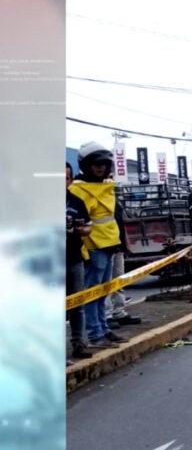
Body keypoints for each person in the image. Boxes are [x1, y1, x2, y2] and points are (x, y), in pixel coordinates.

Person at [69, 142, 128, 348]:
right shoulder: (78, 190)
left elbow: (111, 218)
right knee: (93, 292)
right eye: (96, 164)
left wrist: (119, 243)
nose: (101, 168)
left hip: (110, 243)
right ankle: (95, 334)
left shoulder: (106, 186)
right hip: (93, 247)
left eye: (104, 164)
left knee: (103, 291)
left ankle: (103, 328)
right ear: (86, 165)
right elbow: (82, 222)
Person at [65, 163, 93, 361]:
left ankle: (78, 343)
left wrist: (80, 229)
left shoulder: (76, 202)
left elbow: (88, 227)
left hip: (74, 258)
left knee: (77, 304)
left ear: (71, 180)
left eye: (66, 177)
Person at [105, 194, 143, 329]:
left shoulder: (114, 198)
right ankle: (106, 315)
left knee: (119, 280)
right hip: (105, 247)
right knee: (106, 283)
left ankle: (119, 312)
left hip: (118, 245)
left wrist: (126, 243)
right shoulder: (97, 196)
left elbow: (121, 223)